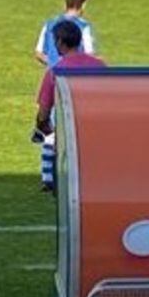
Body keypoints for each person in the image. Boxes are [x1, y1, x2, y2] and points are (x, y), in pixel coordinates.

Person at [34, 19, 106, 192]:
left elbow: (43, 114)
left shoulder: (55, 72)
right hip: (100, 135)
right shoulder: (100, 66)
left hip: (69, 137)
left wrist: (42, 128)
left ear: (59, 42)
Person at [35, 0, 96, 67]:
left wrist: (53, 63)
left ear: (65, 4)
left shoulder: (49, 24)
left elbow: (39, 53)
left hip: (53, 75)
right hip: (73, 75)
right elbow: (89, 55)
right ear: (83, 5)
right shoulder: (84, 27)